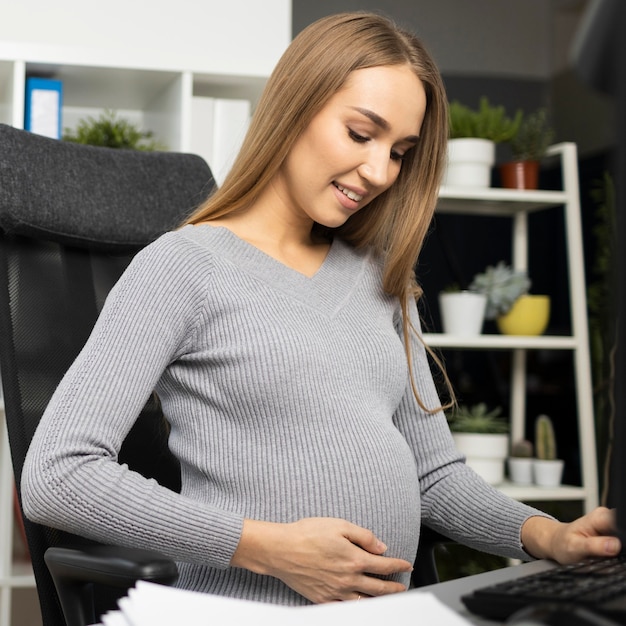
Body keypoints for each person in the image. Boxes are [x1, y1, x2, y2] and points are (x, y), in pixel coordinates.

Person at [21, 11, 620, 607]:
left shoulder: (381, 278)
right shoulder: (181, 268)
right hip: (244, 613)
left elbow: (435, 476)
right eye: (362, 134)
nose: (380, 172)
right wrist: (265, 547)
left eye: (400, 151)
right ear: (294, 108)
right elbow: (57, 476)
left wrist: (547, 534)